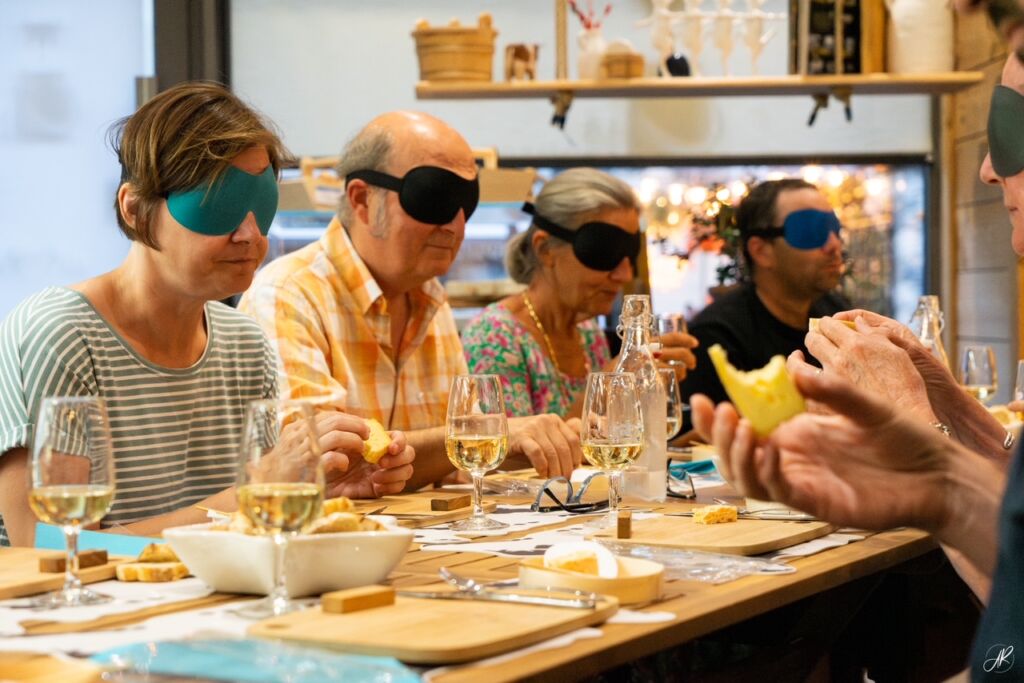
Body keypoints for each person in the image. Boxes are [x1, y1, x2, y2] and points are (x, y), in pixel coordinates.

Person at [691, 50, 1024, 680]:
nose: (985, 169)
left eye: (1008, 129)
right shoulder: (721, 327)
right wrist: (959, 428)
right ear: (758, 249)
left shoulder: (836, 311)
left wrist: (931, 451)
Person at [0, 82, 415, 547]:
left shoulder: (244, 344)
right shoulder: (60, 334)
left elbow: (248, 526)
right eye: (219, 206)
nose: (250, 235)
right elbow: (52, 547)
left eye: (261, 203)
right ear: (135, 209)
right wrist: (254, 493)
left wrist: (309, 489)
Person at [239, 111, 583, 487]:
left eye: (466, 203)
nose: (456, 225)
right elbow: (325, 464)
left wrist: (531, 444)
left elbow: (461, 465)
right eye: (431, 198)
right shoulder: (289, 296)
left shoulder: (431, 300)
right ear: (362, 200)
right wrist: (497, 433)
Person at [461, 167, 698, 418]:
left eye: (629, 254)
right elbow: (510, 453)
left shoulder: (587, 333)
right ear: (545, 250)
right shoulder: (494, 336)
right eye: (604, 252)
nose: (624, 275)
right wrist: (610, 384)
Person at [679, 178, 849, 405]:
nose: (834, 245)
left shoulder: (838, 316)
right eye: (810, 230)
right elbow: (694, 436)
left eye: (834, 229)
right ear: (760, 251)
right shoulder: (716, 337)